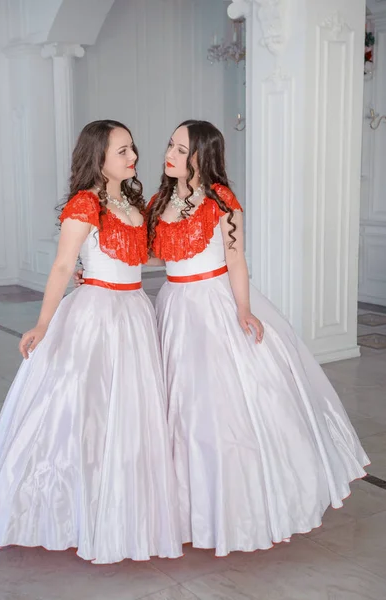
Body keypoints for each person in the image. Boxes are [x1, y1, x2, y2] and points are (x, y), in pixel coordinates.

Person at [145, 119, 369, 556]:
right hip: (174, 304)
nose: (169, 154)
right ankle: (186, 503)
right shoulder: (160, 200)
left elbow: (236, 261)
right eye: (169, 144)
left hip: (214, 301)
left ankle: (241, 501)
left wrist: (242, 309)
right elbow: (157, 254)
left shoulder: (221, 200)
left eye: (179, 148)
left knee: (220, 402)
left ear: (200, 156)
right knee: (178, 402)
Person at [0, 120, 182, 565]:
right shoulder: (85, 204)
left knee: (130, 411)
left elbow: (146, 256)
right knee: (84, 409)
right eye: (122, 151)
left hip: (134, 310)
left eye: (132, 149)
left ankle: (125, 505)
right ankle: (73, 506)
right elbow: (64, 267)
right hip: (97, 313)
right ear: (98, 159)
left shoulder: (130, 202)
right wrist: (43, 325)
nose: (133, 157)